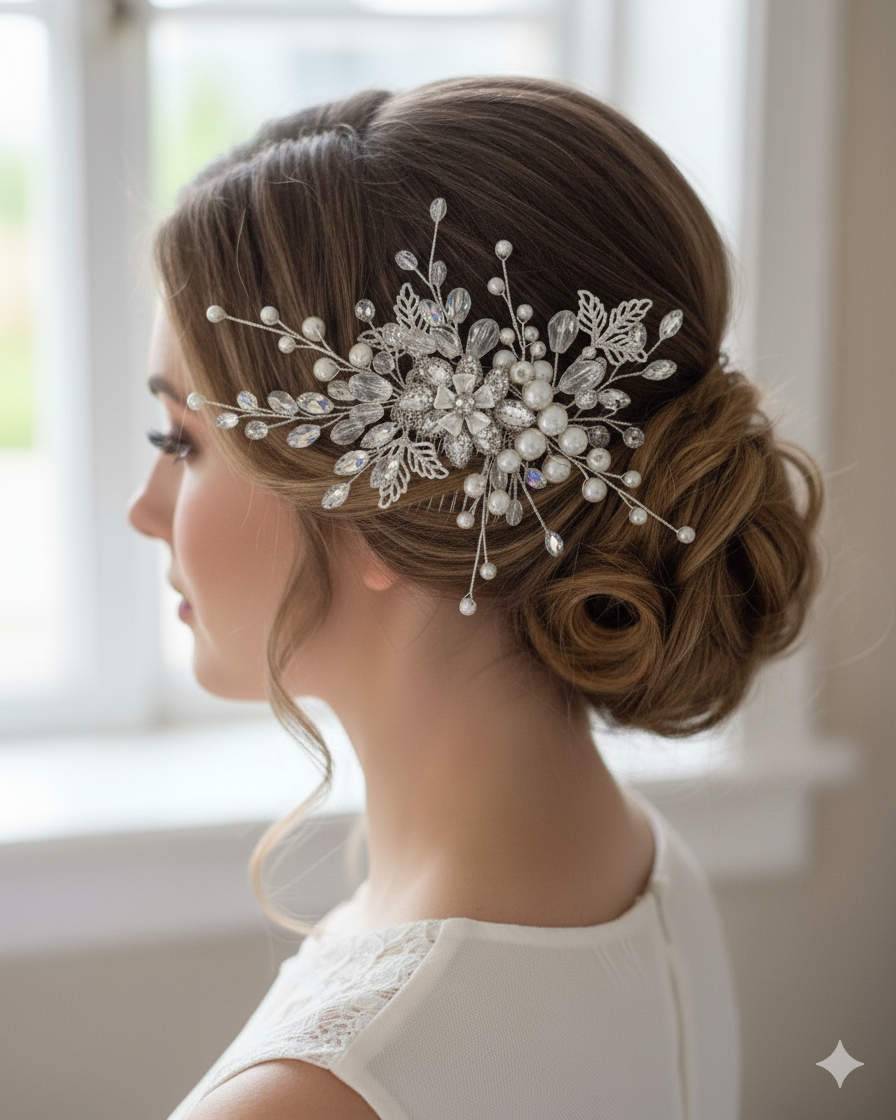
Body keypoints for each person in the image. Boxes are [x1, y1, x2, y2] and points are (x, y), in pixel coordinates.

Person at [129, 75, 822, 1120]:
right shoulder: (641, 872)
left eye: (181, 443)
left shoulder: (307, 1098)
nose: (145, 509)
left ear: (380, 496)